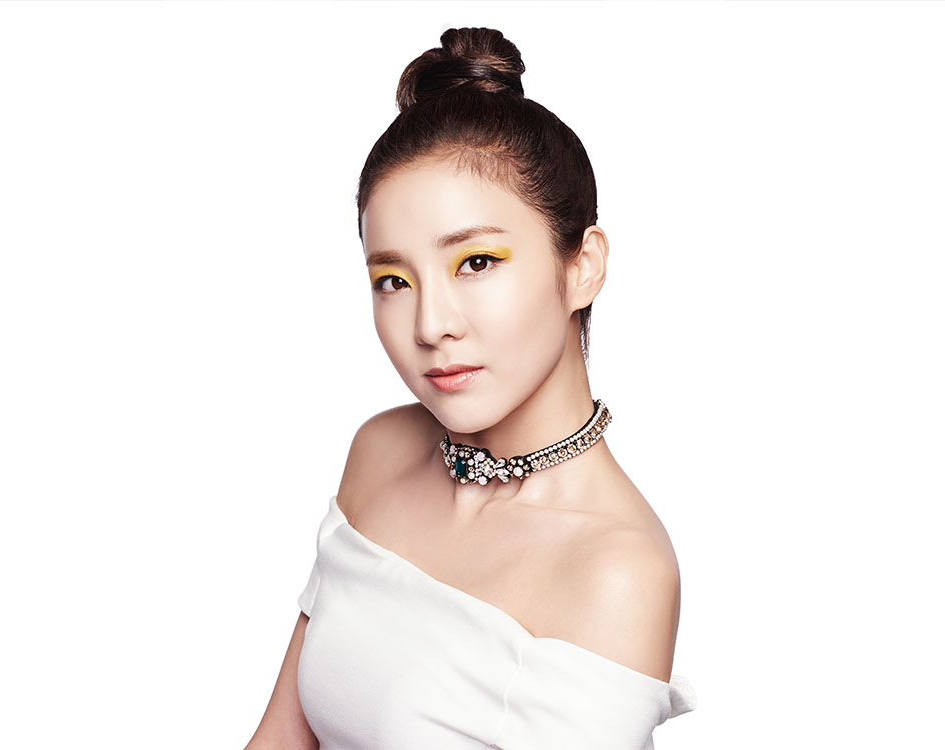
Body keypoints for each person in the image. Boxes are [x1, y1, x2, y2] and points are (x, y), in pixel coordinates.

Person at [244, 26, 696, 750]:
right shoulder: (381, 450)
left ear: (582, 266)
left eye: (477, 262)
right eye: (393, 280)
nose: (430, 325)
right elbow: (280, 738)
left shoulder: (616, 570)